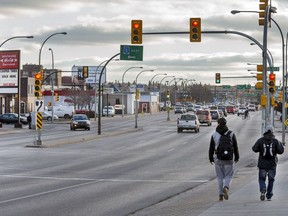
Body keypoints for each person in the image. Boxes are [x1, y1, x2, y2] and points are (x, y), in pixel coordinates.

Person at [209, 117, 240, 201]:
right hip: (229, 158)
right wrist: (237, 157)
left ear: (218, 123)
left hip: (218, 158)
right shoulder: (231, 134)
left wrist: (210, 158)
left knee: (219, 177)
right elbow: (235, 146)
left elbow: (211, 148)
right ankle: (226, 187)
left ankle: (220, 195)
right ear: (226, 124)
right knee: (229, 175)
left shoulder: (214, 134)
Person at [252, 125, 284, 201]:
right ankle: (269, 195)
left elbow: (254, 149)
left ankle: (263, 189)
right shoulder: (275, 141)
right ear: (272, 131)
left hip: (262, 164)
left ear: (265, 131)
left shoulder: (261, 140)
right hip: (272, 164)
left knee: (261, 178)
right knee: (271, 180)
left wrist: (260, 149)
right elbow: (281, 151)